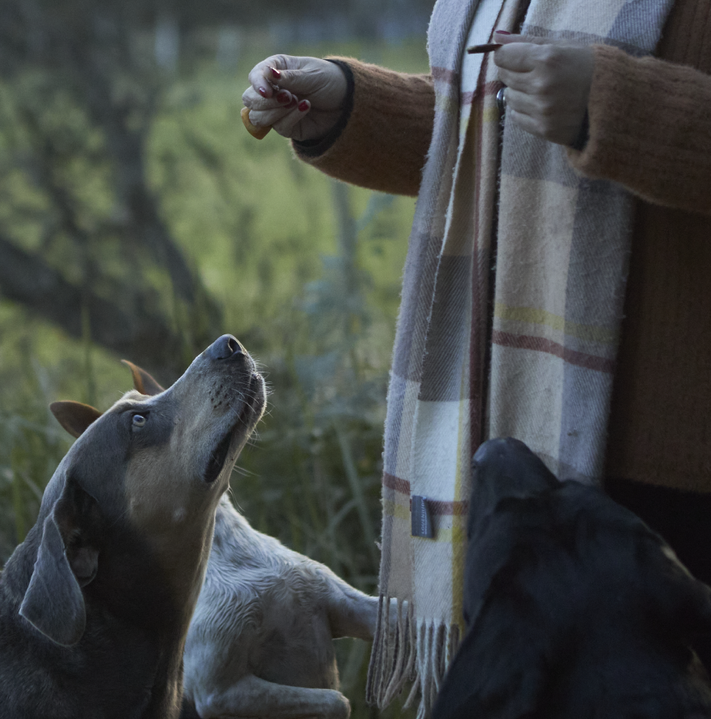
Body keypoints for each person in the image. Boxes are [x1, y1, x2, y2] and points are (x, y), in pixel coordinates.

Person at [243, 0, 711, 714]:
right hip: (527, 455)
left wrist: (613, 105)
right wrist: (351, 108)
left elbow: (585, 108)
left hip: (679, 480)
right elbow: (498, 137)